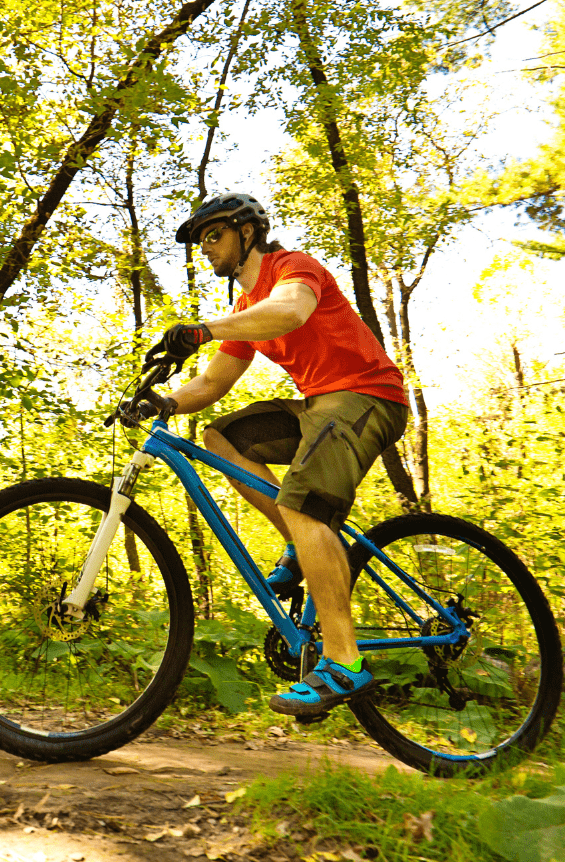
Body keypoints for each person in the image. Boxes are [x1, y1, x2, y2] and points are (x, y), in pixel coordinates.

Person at [135, 192, 409, 717]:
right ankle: (300, 547)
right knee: (220, 438)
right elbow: (214, 381)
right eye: (200, 241)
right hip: (318, 405)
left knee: (304, 504)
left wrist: (204, 328)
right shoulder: (245, 310)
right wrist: (162, 401)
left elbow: (289, 311)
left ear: (248, 231)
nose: (205, 248)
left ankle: (344, 663)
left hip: (367, 395)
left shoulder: (292, 270)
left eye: (213, 235)